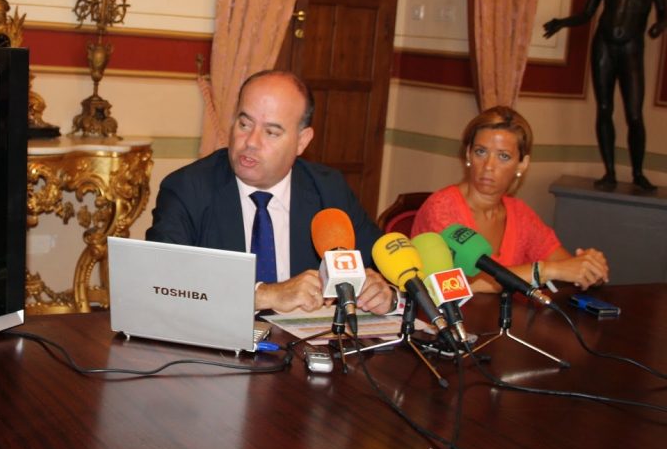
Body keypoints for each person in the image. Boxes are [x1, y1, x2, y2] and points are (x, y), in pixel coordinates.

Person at [146, 70, 396, 314]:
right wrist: (265, 295)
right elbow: (162, 285)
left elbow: (382, 266)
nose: (251, 142)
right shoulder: (187, 188)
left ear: (302, 141)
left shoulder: (328, 190)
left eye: (271, 132)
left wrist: (385, 295)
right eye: (244, 124)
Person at [411, 106, 610, 293]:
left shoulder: (520, 214)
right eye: (481, 151)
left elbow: (564, 264)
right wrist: (545, 271)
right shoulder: (441, 208)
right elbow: (460, 284)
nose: (489, 166)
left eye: (503, 156)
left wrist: (590, 268)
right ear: (468, 154)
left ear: (522, 164)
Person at [542, 0, 665, 192]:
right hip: (604, 46)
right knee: (605, 108)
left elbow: (663, 10)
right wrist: (562, 22)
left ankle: (638, 173)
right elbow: (587, 13)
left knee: (634, 114)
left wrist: (659, 26)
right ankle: (609, 172)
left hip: (632, 47)